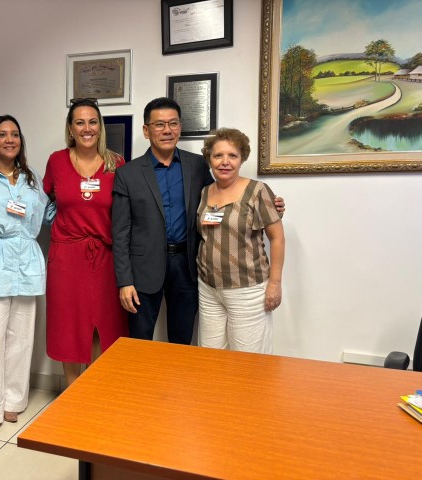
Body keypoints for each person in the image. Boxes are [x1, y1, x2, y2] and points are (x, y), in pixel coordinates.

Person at [112, 98, 284, 345]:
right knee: (139, 341)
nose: (167, 130)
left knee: (183, 340)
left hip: (188, 267)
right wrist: (125, 281)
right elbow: (120, 233)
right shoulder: (127, 173)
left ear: (180, 127)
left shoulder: (197, 165)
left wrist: (271, 207)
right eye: (159, 124)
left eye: (173, 123)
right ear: (146, 130)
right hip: (143, 269)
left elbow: (222, 200)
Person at [0, 115, 54, 429]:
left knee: (21, 338)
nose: (9, 140)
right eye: (2, 134)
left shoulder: (31, 177)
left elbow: (48, 213)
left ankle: (13, 401)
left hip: (26, 261)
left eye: (15, 134)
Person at [44, 98, 128, 386]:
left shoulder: (116, 163)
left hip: (104, 256)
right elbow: (40, 199)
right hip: (66, 256)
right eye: (80, 122)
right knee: (69, 324)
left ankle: (93, 388)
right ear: (70, 129)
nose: (87, 128)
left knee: (101, 324)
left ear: (100, 127)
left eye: (93, 122)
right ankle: (72, 389)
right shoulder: (56, 161)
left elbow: (125, 211)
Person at [197, 128, 285, 353]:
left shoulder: (257, 191)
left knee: (248, 360)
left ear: (242, 158)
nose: (225, 162)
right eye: (218, 155)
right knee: (209, 356)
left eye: (232, 155)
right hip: (209, 288)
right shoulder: (205, 192)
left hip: (247, 290)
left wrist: (275, 284)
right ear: (209, 159)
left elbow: (277, 238)